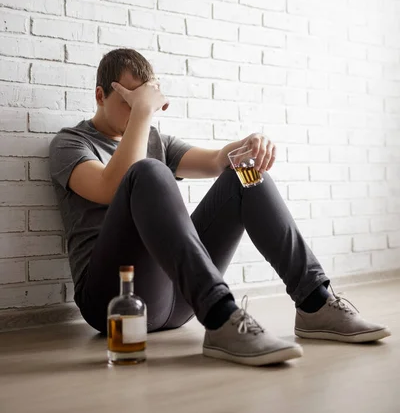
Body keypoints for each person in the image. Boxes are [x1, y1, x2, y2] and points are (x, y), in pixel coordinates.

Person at [49, 48, 390, 367]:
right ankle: (220, 317)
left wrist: (249, 144)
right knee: (148, 171)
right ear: (100, 96)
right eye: (130, 100)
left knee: (243, 175)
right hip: (113, 304)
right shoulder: (70, 144)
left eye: (146, 100)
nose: (143, 109)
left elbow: (215, 161)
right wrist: (142, 111)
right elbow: (111, 186)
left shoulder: (157, 141)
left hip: (179, 300)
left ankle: (315, 302)